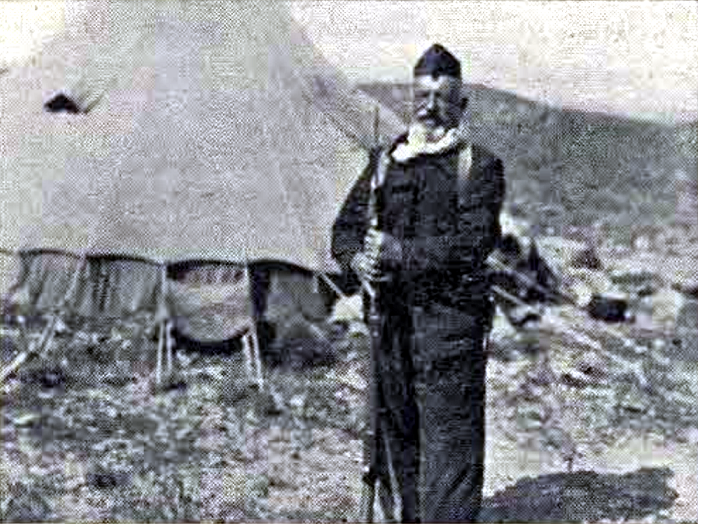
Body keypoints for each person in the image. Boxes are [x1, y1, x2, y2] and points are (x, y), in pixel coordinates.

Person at [332, 44, 505, 523]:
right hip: (390, 330)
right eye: (422, 97)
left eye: (443, 98)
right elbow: (344, 231)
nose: (430, 108)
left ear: (461, 105)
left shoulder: (478, 167)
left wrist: (399, 253)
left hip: (450, 333)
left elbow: (473, 244)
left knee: (450, 452)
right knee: (395, 444)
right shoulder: (387, 162)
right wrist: (357, 260)